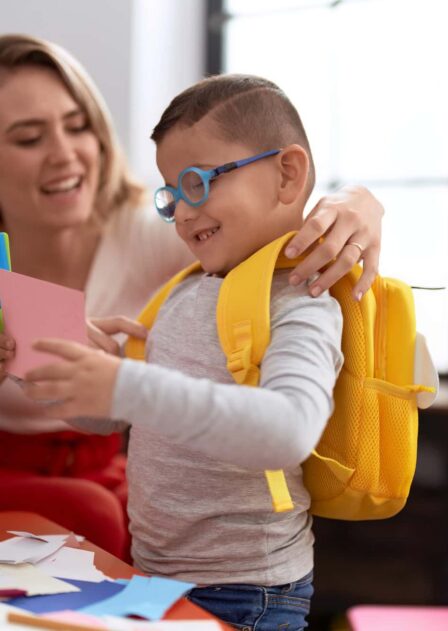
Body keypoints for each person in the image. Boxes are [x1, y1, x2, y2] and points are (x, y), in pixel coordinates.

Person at [0, 34, 382, 560]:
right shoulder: (185, 254)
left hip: (134, 509)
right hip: (94, 505)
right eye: (27, 138)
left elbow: (270, 224)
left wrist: (357, 203)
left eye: (77, 125)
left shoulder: (170, 237)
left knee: (98, 514)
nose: (65, 154)